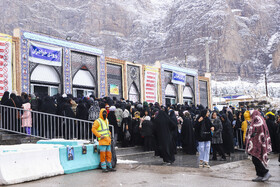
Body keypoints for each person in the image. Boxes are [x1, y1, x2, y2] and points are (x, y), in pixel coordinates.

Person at [245, 110, 272, 182]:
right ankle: (260, 175)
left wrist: (251, 127)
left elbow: (257, 129)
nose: (250, 115)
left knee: (256, 158)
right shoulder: (257, 118)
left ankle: (265, 172)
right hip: (256, 142)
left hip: (258, 142)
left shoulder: (257, 119)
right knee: (255, 158)